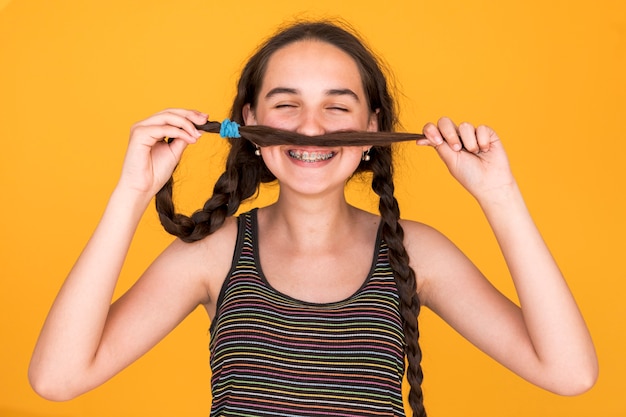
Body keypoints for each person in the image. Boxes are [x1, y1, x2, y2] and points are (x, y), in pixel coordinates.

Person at [28, 20, 598, 417]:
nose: (310, 126)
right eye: (285, 103)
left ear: (372, 128)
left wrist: (499, 195)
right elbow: (57, 379)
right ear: (249, 123)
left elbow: (569, 373)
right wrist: (132, 193)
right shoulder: (214, 254)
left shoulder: (418, 253)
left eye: (337, 104)